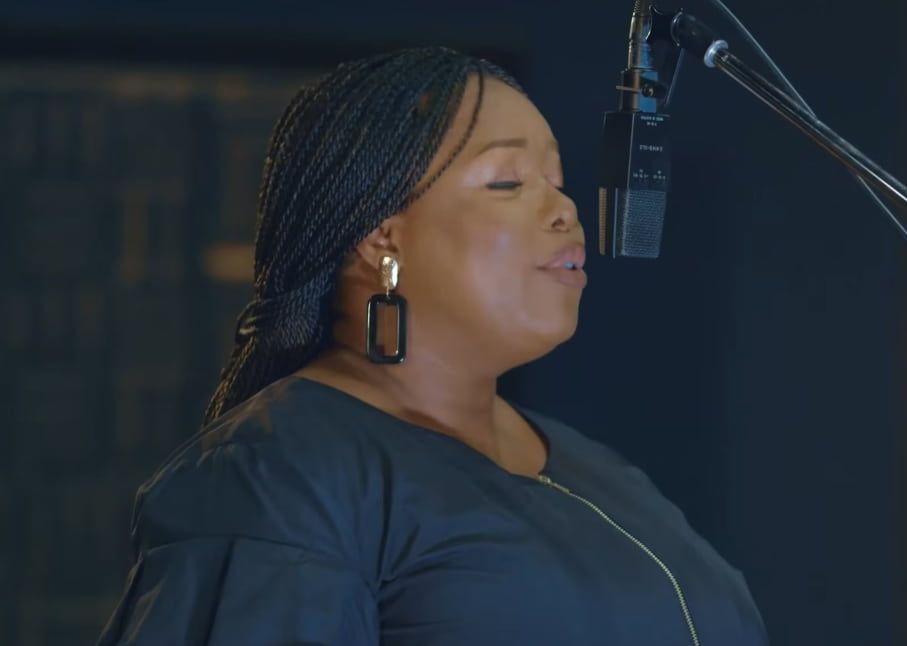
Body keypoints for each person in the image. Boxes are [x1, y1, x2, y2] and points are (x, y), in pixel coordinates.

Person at [96, 46, 768, 646]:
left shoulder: (599, 472)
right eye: (506, 181)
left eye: (558, 181)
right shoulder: (281, 478)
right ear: (379, 235)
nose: (564, 209)